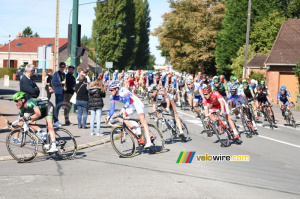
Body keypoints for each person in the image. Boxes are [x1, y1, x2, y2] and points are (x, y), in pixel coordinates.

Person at [105, 81, 153, 148]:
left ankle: (149, 141)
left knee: (142, 121)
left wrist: (123, 109)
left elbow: (128, 101)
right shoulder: (112, 96)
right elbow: (112, 108)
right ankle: (135, 128)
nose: (110, 91)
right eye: (109, 90)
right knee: (119, 117)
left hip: (137, 103)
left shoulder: (123, 90)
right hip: (130, 106)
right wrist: (108, 117)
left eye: (111, 90)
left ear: (116, 89)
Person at [51, 62, 66, 127]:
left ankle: (57, 121)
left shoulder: (64, 74)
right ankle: (55, 121)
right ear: (59, 67)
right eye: (61, 67)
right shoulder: (56, 74)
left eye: (63, 67)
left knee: (59, 106)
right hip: (58, 92)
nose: (62, 68)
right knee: (57, 106)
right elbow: (53, 83)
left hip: (63, 91)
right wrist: (60, 82)